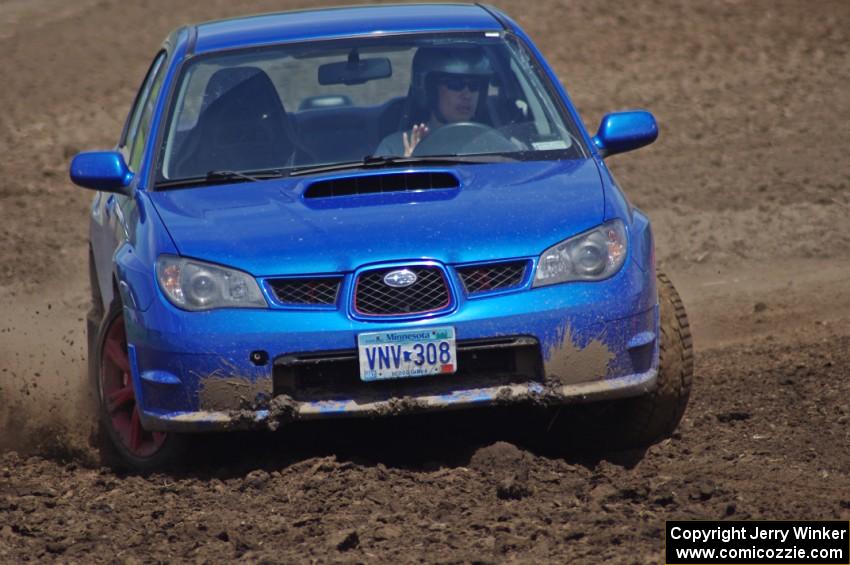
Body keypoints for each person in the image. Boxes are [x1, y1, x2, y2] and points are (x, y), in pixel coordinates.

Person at [374, 45, 493, 157]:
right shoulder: (394, 149)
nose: (467, 95)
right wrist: (407, 169)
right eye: (455, 84)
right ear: (430, 90)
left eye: (475, 85)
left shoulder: (494, 145)